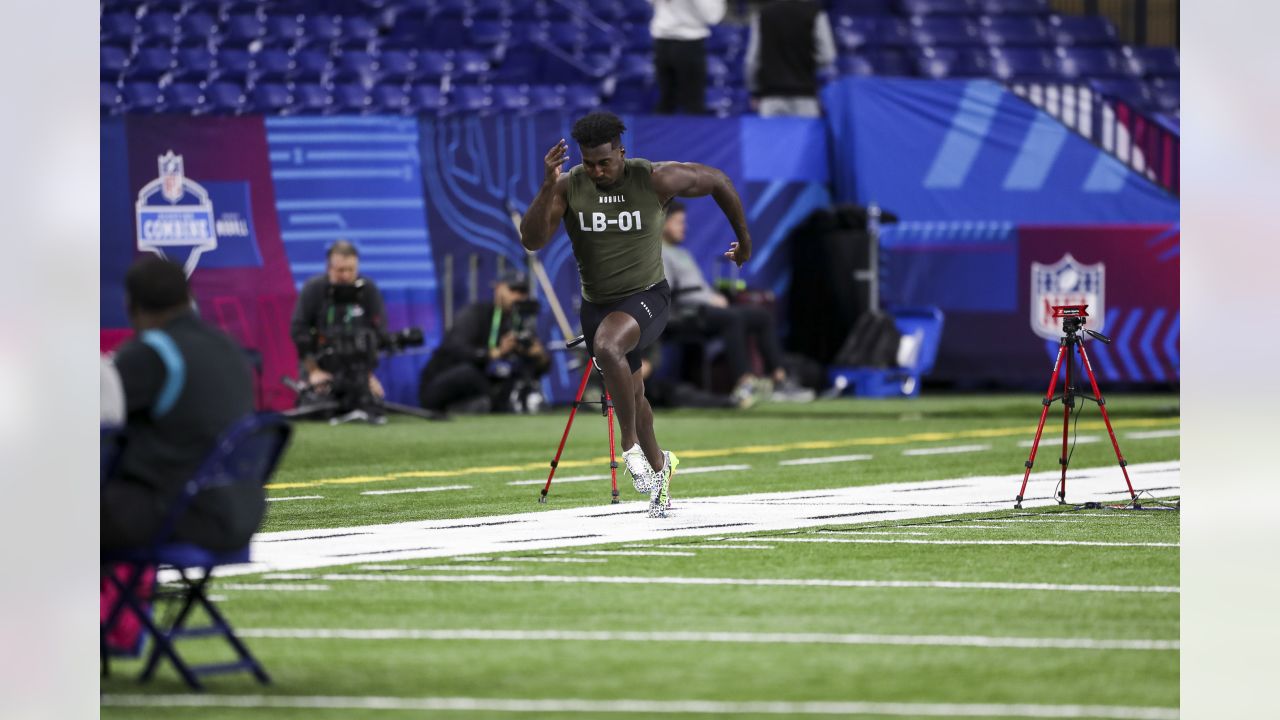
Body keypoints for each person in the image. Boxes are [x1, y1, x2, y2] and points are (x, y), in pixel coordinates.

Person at [519, 111, 752, 517]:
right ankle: (662, 466)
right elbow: (532, 240)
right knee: (635, 393)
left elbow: (719, 181)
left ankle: (630, 451)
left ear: (621, 153)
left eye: (605, 162)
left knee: (609, 347)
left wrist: (745, 242)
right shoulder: (568, 186)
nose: (597, 170)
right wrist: (545, 186)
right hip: (598, 305)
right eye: (589, 163)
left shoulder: (654, 179)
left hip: (648, 297)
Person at [101, 256, 260, 551]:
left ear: (131, 307)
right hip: (240, 513)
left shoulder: (150, 354)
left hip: (176, 513)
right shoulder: (228, 347)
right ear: (190, 297)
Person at [661, 201, 814, 404]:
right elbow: (666, 293)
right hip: (683, 314)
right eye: (678, 222)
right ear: (662, 223)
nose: (684, 227)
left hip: (705, 309)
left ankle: (780, 380)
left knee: (761, 316)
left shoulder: (683, 253)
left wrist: (715, 296)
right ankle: (746, 383)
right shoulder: (658, 253)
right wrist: (710, 299)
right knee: (731, 318)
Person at [418, 269, 550, 414]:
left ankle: (502, 407)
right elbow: (455, 348)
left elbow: (539, 367)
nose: (518, 296)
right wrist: (495, 353)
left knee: (514, 377)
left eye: (523, 291)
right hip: (440, 384)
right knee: (469, 373)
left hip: (481, 388)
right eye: (513, 289)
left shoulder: (520, 323)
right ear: (498, 289)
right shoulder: (475, 314)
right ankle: (496, 406)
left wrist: (539, 356)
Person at [289, 240, 386, 406]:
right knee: (322, 405)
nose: (346, 276)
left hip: (357, 371)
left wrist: (367, 375)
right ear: (329, 268)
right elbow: (299, 331)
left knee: (370, 403)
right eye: (340, 270)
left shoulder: (368, 290)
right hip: (320, 365)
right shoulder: (314, 288)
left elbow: (378, 333)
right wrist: (314, 371)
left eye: (351, 270)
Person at [744, 0, 837, 118]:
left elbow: (752, 61)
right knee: (804, 136)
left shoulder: (763, 14)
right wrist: (809, 65)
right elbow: (828, 56)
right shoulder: (815, 13)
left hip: (771, 99)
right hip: (805, 97)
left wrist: (755, 91)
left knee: (772, 136)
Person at [650, 0, 726, 115]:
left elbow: (713, 17)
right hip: (663, 42)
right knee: (666, 101)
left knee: (692, 102)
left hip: (690, 43)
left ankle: (694, 131)